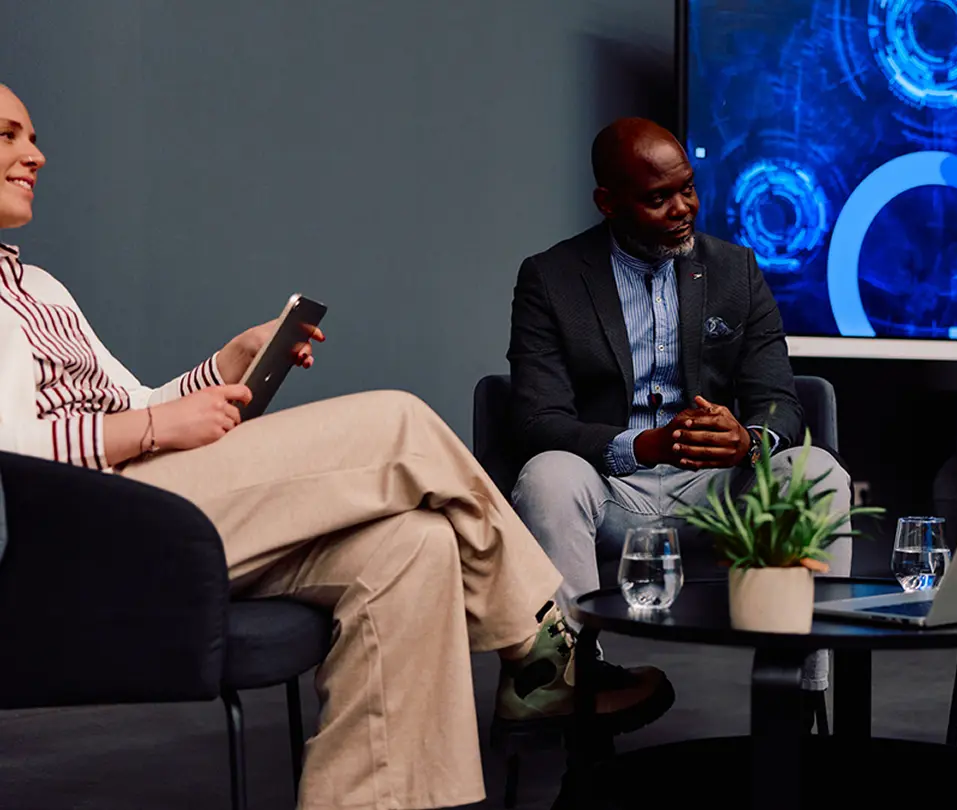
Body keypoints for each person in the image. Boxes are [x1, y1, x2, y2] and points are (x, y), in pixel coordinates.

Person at [0, 83, 670, 810]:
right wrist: (157, 431)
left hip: (149, 501)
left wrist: (222, 368)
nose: (35, 154)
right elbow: (17, 447)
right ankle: (548, 653)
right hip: (81, 539)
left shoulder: (37, 286)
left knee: (413, 546)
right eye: (8, 137)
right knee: (398, 424)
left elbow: (131, 405)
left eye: (31, 137)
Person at [506, 118, 852, 692]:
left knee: (816, 471)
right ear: (607, 202)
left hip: (718, 490)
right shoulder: (551, 278)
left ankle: (805, 692)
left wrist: (748, 440)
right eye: (657, 198)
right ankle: (570, 689)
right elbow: (536, 420)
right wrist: (641, 445)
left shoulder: (735, 270)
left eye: (687, 187)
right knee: (547, 477)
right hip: (609, 485)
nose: (682, 208)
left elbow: (779, 402)